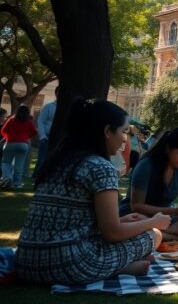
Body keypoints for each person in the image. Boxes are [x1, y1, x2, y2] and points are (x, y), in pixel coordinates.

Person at [15, 98, 169, 285]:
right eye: (123, 131)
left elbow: (73, 223)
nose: (124, 138)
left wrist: (121, 220)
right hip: (69, 264)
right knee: (154, 235)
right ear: (107, 131)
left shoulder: (55, 163)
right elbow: (112, 233)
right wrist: (154, 222)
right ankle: (118, 267)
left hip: (26, 263)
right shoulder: (100, 167)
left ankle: (121, 267)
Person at [120, 127, 178, 241]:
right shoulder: (146, 165)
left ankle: (160, 235)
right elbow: (137, 206)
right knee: (139, 219)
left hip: (165, 217)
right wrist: (174, 211)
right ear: (168, 148)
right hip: (137, 215)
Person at [1, 104, 38, 189]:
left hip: (10, 143)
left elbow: (3, 131)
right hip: (23, 144)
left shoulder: (11, 120)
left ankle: (7, 177)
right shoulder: (29, 122)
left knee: (6, 162)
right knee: (19, 165)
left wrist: (8, 136)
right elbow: (34, 132)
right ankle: (17, 183)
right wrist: (27, 136)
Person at [33, 86, 57, 178]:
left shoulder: (67, 107)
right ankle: (38, 176)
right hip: (47, 136)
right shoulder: (49, 107)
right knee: (42, 158)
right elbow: (41, 121)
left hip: (59, 136)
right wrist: (42, 135)